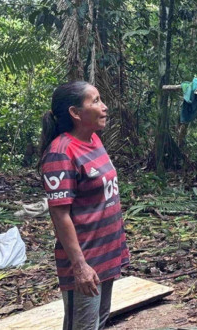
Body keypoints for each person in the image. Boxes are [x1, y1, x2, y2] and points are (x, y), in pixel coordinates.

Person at [39, 81, 129, 330]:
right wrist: (80, 266)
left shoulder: (94, 141)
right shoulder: (61, 153)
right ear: (75, 113)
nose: (105, 107)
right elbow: (60, 215)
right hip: (85, 261)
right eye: (96, 101)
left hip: (106, 254)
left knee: (99, 322)